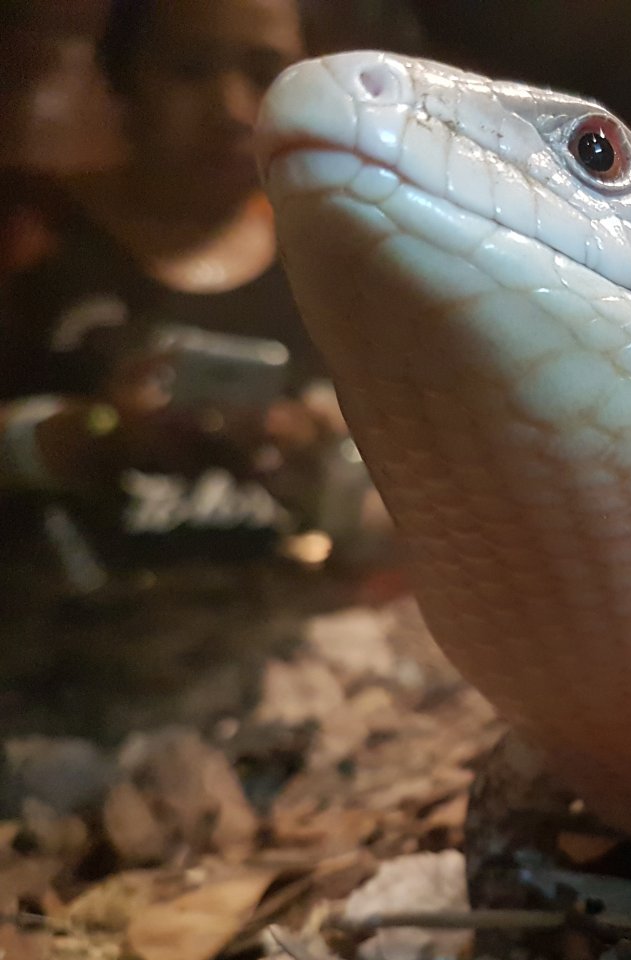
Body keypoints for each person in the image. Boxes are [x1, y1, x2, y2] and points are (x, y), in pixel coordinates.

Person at [0, 0, 369, 735]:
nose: (232, 109)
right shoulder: (32, 242)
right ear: (122, 78)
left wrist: (327, 472)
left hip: (281, 675)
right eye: (189, 69)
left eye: (263, 73)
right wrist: (97, 435)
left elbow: (380, 521)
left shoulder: (333, 265)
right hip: (57, 685)